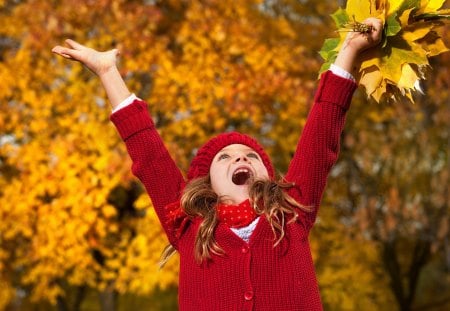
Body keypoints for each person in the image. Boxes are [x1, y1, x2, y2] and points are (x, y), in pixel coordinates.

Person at [53, 17, 382, 311]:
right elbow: (148, 154)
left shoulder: (292, 211)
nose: (240, 157)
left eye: (251, 156)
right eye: (225, 157)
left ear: (269, 176)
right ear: (207, 185)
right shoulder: (187, 226)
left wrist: (350, 50)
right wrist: (108, 72)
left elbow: (320, 135)